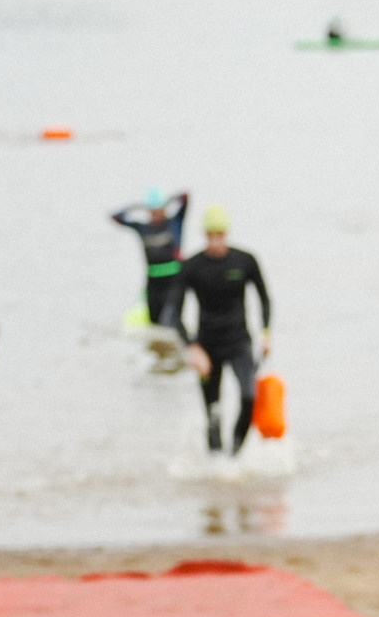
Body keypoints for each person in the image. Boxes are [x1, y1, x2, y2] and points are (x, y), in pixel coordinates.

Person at [178, 205, 272, 455]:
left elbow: (264, 298)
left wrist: (265, 333)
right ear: (205, 235)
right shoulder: (192, 267)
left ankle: (234, 459)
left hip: (239, 342)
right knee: (213, 413)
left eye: (220, 234)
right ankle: (215, 466)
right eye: (211, 235)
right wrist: (191, 347)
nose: (216, 241)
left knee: (249, 396)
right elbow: (171, 314)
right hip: (207, 348)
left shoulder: (245, 261)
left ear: (227, 233)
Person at [111, 188, 190, 329]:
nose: (155, 214)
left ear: (164, 209)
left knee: (171, 320)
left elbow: (185, 198)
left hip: (174, 282)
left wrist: (168, 200)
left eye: (158, 209)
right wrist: (138, 207)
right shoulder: (143, 228)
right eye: (152, 211)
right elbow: (116, 217)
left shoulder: (174, 223)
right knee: (154, 324)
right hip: (153, 282)